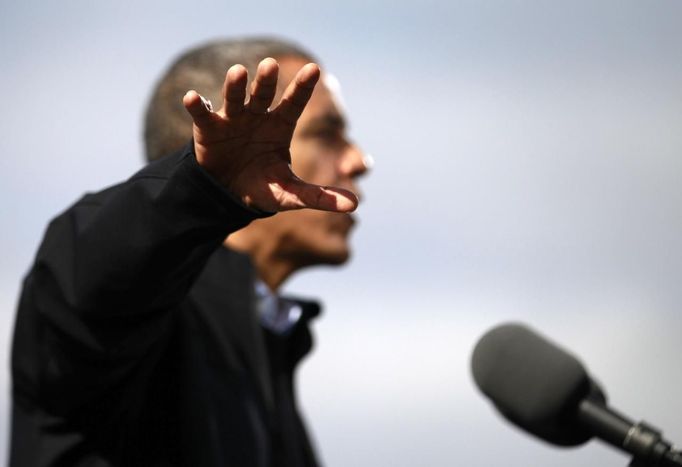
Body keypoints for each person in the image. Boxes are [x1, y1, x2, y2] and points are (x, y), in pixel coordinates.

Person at [10, 37, 369, 467]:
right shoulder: (132, 316)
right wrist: (201, 190)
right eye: (327, 133)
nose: (359, 161)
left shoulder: (268, 340)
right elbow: (84, 283)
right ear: (227, 142)